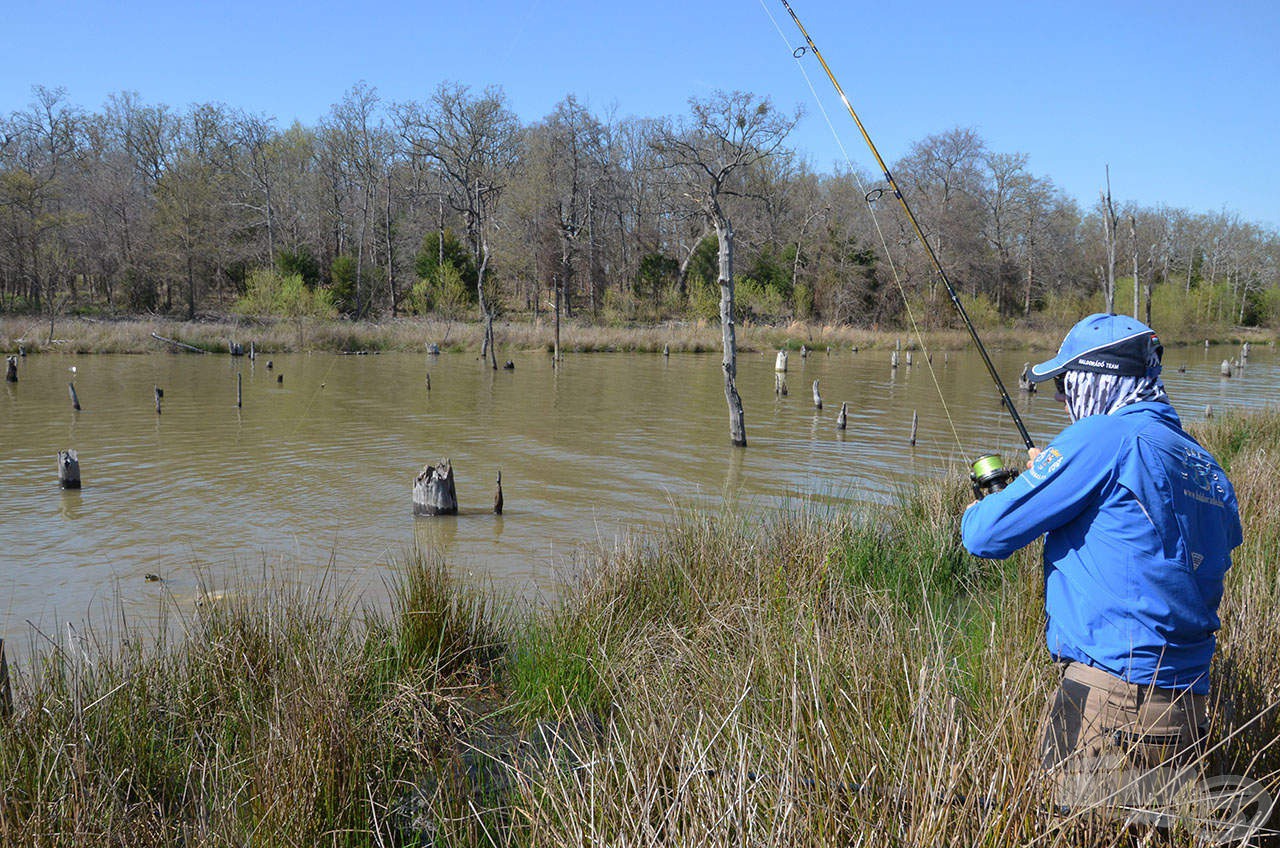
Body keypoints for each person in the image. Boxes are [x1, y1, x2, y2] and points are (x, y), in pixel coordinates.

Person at [961, 313, 1241, 809]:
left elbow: (986, 534)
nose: (1061, 401)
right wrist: (1062, 477)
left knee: (1066, 824)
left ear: (1097, 379)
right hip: (1190, 708)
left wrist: (990, 502)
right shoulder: (1204, 462)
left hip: (1104, 699)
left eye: (1065, 386)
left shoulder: (1100, 439)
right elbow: (1153, 541)